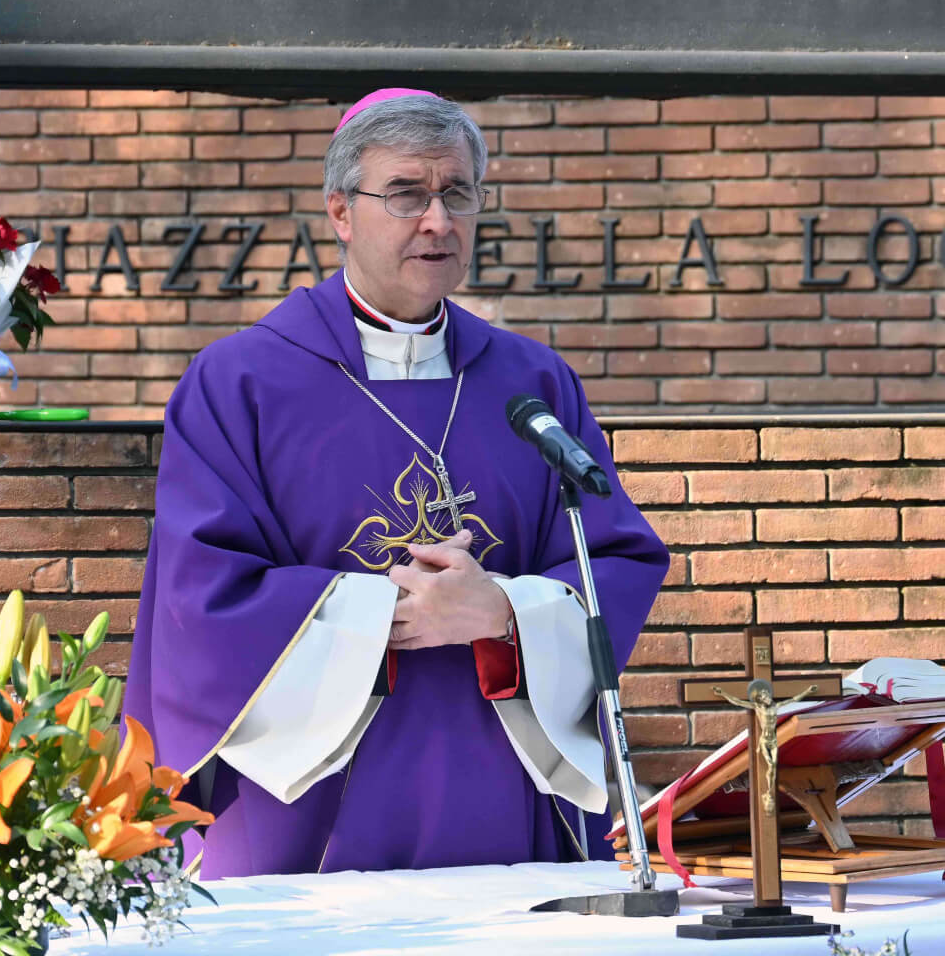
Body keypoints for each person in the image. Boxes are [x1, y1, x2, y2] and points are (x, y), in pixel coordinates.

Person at [122, 89, 667, 879]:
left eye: (457, 193)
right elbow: (201, 598)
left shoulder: (534, 381)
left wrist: (500, 611)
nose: (438, 221)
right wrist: (390, 612)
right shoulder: (239, 382)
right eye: (406, 194)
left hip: (501, 790)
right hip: (306, 808)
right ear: (341, 212)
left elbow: (613, 560)